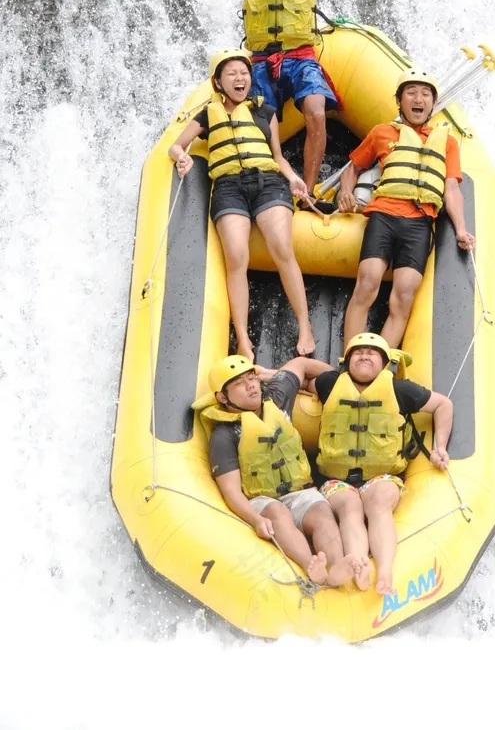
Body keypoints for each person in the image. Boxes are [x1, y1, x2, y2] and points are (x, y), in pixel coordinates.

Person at [176, 0, 384, 197]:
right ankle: (266, 187)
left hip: (301, 58)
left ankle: (308, 190)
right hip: (261, 62)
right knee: (256, 124)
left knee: (316, 110)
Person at [168, 48, 315, 357]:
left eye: (244, 73)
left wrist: (293, 178)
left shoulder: (265, 112)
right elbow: (176, 145)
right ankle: (244, 339)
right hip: (229, 187)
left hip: (268, 183)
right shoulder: (207, 114)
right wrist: (182, 158)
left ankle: (304, 326)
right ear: (218, 82)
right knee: (236, 256)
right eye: (232, 73)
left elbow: (277, 156)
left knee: (281, 247)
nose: (240, 78)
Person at [193, 353, 368, 588]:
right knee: (277, 512)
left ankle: (336, 567)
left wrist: (339, 379)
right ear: (222, 397)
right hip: (262, 500)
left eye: (251, 379)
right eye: (239, 384)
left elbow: (301, 364)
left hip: (299, 491)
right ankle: (311, 566)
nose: (250, 386)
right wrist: (256, 520)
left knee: (321, 512)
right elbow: (231, 491)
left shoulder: (276, 396)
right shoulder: (224, 436)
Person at [305, 333, 454, 595]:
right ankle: (359, 566)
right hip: (336, 479)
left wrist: (439, 447)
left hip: (382, 476)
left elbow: (443, 404)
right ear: (347, 362)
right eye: (358, 352)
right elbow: (306, 381)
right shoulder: (330, 383)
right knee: (350, 507)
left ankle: (384, 572)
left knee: (379, 503)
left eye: (372, 352)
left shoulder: (400, 390)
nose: (364, 355)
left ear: (385, 364)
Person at [337, 69, 477, 348]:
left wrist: (461, 229)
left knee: (403, 297)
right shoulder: (382, 132)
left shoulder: (447, 142)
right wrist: (346, 192)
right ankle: (351, 357)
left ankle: (379, 363)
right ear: (399, 101)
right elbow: (352, 169)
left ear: (432, 103)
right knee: (368, 283)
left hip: (420, 223)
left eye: (425, 94)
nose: (418, 99)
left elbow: (451, 189)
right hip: (384, 217)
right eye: (411, 93)